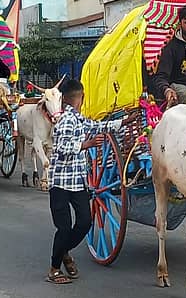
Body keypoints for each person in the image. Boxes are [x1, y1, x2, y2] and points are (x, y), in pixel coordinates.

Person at [45, 79, 137, 284]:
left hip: (78, 182)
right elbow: (60, 148)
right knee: (64, 227)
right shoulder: (66, 120)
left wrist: (124, 122)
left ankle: (63, 252)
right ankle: (54, 269)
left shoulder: (79, 118)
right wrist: (85, 144)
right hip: (61, 182)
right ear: (81, 97)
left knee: (85, 222)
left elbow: (98, 126)